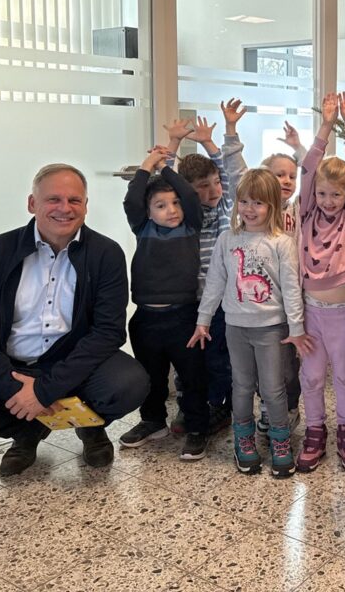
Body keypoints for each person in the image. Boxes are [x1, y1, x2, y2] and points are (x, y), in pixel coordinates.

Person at [0, 164, 148, 477]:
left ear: (85, 205)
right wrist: (17, 389)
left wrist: (44, 390)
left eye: (74, 200)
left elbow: (108, 332)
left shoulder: (106, 253)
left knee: (129, 384)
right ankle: (28, 429)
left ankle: (90, 426)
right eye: (53, 199)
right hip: (10, 364)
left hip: (73, 363)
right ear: (32, 204)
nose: (65, 208)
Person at [190, 168, 311, 477]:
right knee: (241, 386)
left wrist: (296, 329)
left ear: (272, 205)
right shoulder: (227, 239)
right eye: (244, 201)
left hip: (272, 329)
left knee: (273, 388)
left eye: (258, 202)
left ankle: (280, 441)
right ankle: (243, 440)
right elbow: (215, 281)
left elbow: (291, 288)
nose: (249, 209)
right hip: (236, 327)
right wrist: (204, 320)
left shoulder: (281, 242)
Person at [219, 100, 307, 436]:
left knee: (285, 367)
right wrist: (231, 130)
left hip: (288, 303)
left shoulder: (299, 210)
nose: (286, 180)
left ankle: (286, 409)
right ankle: (266, 407)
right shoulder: (253, 209)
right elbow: (236, 172)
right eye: (279, 174)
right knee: (257, 368)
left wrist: (300, 148)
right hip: (256, 308)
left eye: (291, 175)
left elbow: (315, 175)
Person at [118, 146, 208, 461]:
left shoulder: (191, 226)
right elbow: (131, 200)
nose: (171, 210)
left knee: (192, 377)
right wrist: (148, 165)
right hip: (146, 319)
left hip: (183, 317)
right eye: (160, 205)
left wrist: (167, 168)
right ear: (148, 211)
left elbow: (191, 196)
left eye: (175, 203)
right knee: (150, 376)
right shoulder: (143, 229)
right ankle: (153, 421)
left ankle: (197, 427)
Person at [295, 93, 345, 473]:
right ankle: (315, 430)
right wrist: (326, 124)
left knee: (344, 375)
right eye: (322, 193)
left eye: (336, 194)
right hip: (311, 313)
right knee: (311, 375)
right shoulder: (307, 211)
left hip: (344, 313)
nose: (328, 200)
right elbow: (308, 167)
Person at [165, 116, 233, 437]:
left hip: (220, 303)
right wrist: (173, 143)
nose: (213, 190)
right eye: (202, 187)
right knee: (188, 358)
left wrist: (209, 143)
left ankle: (218, 405)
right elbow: (165, 182)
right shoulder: (181, 215)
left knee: (218, 358)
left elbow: (229, 175)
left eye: (214, 182)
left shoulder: (225, 207)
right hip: (189, 301)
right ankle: (188, 403)